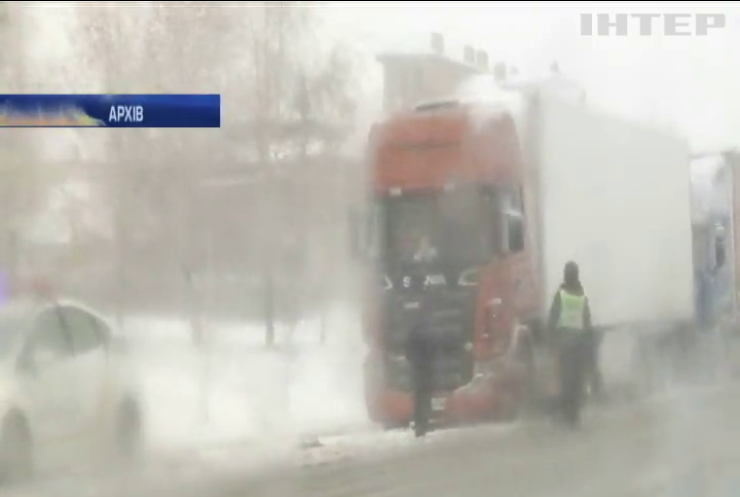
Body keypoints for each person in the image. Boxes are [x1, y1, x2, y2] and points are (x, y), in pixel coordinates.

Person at [547, 261, 593, 428]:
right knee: (577, 380)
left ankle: (567, 415)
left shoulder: (561, 294)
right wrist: (588, 346)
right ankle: (574, 416)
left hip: (565, 343)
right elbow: (587, 322)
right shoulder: (582, 296)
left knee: (566, 379)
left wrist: (550, 340)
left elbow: (553, 317)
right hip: (579, 343)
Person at [405, 310, 436, 437]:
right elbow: (433, 351)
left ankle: (418, 423)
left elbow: (407, 352)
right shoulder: (429, 334)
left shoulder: (412, 334)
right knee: (426, 397)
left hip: (416, 370)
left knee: (418, 397)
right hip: (427, 370)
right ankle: (425, 422)